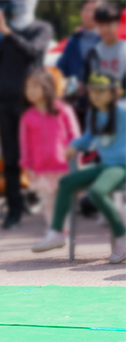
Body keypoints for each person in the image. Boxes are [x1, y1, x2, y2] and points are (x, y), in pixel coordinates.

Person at [32, 72, 126, 263]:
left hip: (121, 167)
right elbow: (89, 138)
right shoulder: (94, 113)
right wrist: (75, 145)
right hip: (105, 166)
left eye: (101, 91)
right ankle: (56, 233)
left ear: (113, 92)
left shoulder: (122, 112)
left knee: (98, 192)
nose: (95, 96)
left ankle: (122, 237)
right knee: (66, 182)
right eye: (92, 92)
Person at [0, 0, 53, 229]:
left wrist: (6, 32)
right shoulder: (2, 29)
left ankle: (49, 205)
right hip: (4, 102)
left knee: (40, 156)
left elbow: (32, 52)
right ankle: (14, 209)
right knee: (10, 160)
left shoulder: (41, 28)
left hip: (32, 103)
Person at [19, 69, 81, 230]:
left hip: (63, 166)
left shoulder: (63, 110)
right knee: (47, 201)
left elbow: (74, 135)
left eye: (35, 87)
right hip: (40, 168)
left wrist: (76, 159)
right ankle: (55, 230)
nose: (30, 91)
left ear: (47, 87)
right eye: (28, 88)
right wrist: (27, 166)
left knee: (63, 199)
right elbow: (24, 146)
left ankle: (64, 229)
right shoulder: (27, 117)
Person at [83, 3, 126, 93]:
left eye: (109, 24)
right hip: (99, 103)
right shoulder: (93, 52)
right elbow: (87, 82)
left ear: (118, 24)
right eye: (101, 25)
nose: (105, 29)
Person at [57, 0, 102, 83]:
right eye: (86, 10)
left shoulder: (105, 41)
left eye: (94, 10)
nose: (90, 14)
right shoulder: (73, 41)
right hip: (75, 94)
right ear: (81, 12)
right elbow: (61, 68)